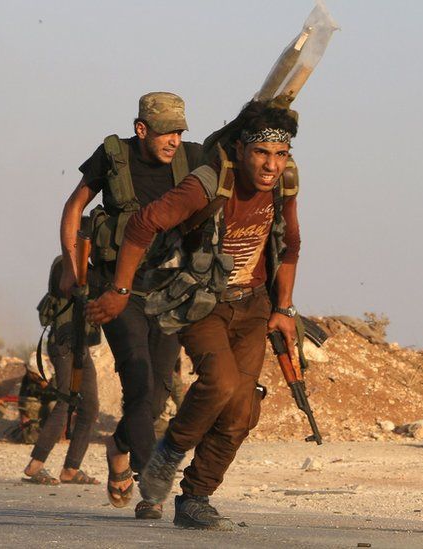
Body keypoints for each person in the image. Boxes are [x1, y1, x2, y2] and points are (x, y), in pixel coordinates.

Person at [87, 100, 302, 529]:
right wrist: (120, 288)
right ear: (240, 149)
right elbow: (142, 225)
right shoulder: (208, 183)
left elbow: (290, 245)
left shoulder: (285, 183)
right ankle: (169, 453)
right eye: (262, 153)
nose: (271, 165)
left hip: (255, 304)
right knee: (220, 384)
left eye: (281, 154)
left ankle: (195, 497)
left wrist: (283, 308)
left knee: (244, 410)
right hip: (202, 301)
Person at [60, 91, 204, 518]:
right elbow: (74, 206)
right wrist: (72, 266)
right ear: (142, 129)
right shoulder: (113, 156)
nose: (173, 140)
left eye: (179, 131)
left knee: (156, 397)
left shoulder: (193, 159)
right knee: (138, 385)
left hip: (169, 291)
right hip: (117, 293)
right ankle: (152, 482)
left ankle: (120, 446)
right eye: (165, 132)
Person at [21, 257, 101, 486]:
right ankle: (35, 464)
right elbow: (71, 287)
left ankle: (71, 468)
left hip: (80, 343)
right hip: (64, 341)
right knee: (65, 400)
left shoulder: (89, 264)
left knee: (90, 407)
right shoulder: (64, 263)